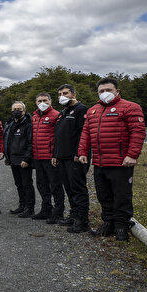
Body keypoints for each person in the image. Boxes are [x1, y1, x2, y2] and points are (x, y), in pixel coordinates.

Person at [78, 77, 146, 241]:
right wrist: (82, 152)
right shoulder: (93, 111)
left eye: (108, 90)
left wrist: (132, 155)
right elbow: (86, 133)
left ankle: (121, 226)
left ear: (117, 91)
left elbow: (138, 133)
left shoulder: (130, 107)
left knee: (121, 195)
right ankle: (108, 223)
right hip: (100, 163)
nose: (105, 93)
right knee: (104, 195)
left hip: (121, 163)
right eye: (101, 91)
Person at [52, 84, 91, 233]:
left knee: (78, 189)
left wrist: (79, 153)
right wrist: (55, 154)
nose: (62, 96)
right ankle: (74, 216)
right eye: (60, 93)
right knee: (68, 188)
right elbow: (58, 136)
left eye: (65, 93)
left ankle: (82, 220)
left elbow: (84, 134)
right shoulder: (62, 113)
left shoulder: (82, 110)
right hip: (62, 157)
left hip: (75, 158)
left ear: (73, 94)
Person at [31, 92, 65, 224]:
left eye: (45, 100)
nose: (42, 103)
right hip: (38, 157)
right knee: (41, 185)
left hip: (51, 158)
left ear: (50, 101)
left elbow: (59, 137)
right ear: (36, 103)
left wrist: (56, 154)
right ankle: (46, 209)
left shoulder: (56, 115)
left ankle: (58, 213)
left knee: (55, 186)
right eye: (39, 101)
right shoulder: (34, 117)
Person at [3, 102, 35, 218]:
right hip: (13, 159)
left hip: (23, 160)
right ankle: (22, 205)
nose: (17, 111)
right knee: (19, 184)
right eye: (14, 109)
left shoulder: (28, 124)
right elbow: (7, 141)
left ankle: (29, 208)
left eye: (19, 109)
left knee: (27, 184)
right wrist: (7, 157)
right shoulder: (10, 124)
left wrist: (27, 158)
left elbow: (31, 142)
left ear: (24, 111)